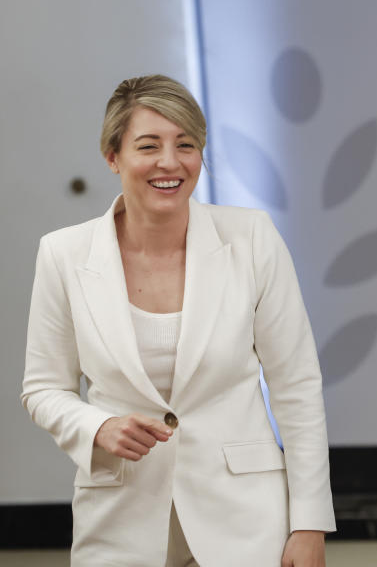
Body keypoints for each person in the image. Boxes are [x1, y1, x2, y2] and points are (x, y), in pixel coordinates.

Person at [22, 75, 334, 566]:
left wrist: (309, 523)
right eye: (149, 145)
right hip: (119, 518)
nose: (170, 162)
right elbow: (43, 388)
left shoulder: (252, 238)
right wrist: (98, 425)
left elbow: (296, 385)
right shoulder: (63, 254)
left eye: (186, 145)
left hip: (246, 521)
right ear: (113, 156)